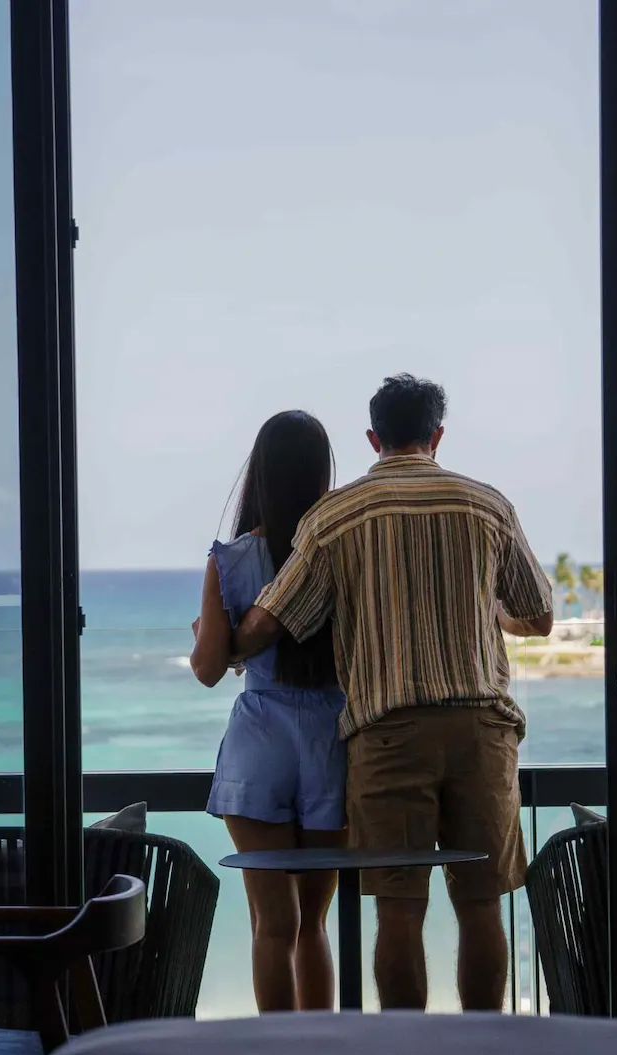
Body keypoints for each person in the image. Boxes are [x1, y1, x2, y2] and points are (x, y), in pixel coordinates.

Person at [230, 374, 553, 1011]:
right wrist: (493, 616)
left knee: (400, 910)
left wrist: (221, 644)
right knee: (481, 903)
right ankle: (481, 1047)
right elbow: (538, 614)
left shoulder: (336, 515)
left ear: (373, 437)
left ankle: (405, 1052)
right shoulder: (487, 505)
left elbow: (273, 619)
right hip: (482, 731)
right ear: (438, 434)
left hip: (388, 733)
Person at [189, 410, 346, 1012]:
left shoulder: (234, 559)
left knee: (270, 924)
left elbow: (207, 669)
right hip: (331, 737)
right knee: (314, 923)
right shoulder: (339, 553)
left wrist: (209, 628)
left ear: (259, 473)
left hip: (260, 738)